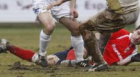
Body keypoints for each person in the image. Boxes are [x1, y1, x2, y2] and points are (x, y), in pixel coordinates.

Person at [1, 27, 140, 66]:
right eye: (138, 33)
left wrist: (132, 59)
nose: (138, 37)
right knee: (84, 53)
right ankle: (76, 62)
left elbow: (119, 63)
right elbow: (98, 36)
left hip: (89, 63)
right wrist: (95, 50)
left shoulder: (133, 53)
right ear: (135, 30)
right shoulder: (122, 33)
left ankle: (7, 46)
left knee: (42, 61)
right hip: (85, 52)